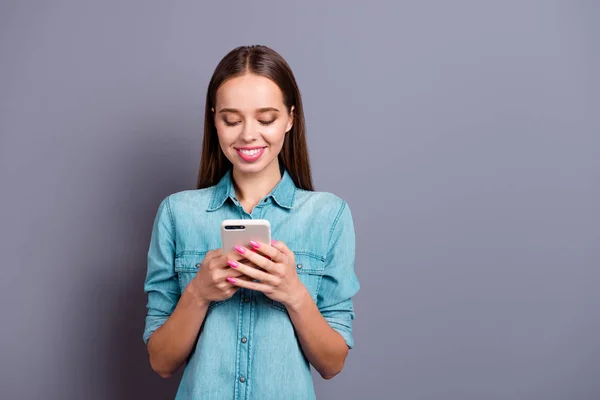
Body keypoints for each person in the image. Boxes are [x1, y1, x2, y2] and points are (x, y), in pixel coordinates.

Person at [142, 44, 360, 400]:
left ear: (290, 118)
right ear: (214, 120)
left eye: (266, 118)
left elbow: (332, 363)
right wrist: (198, 293)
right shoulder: (177, 213)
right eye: (231, 119)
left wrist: (294, 293)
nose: (247, 135)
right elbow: (162, 361)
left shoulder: (328, 216)